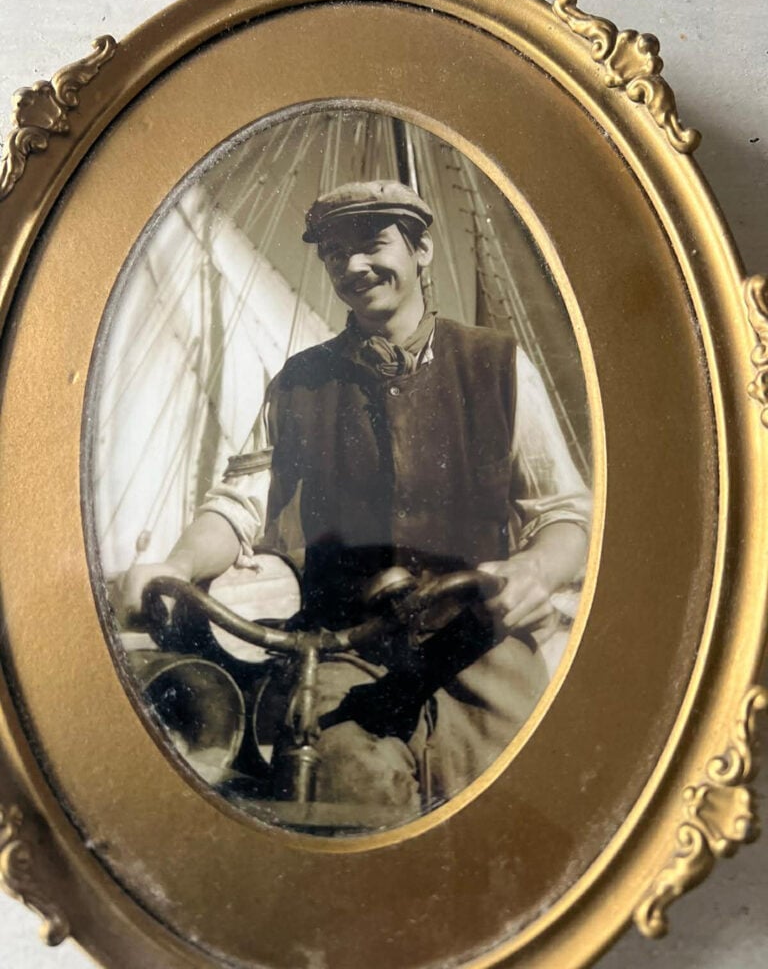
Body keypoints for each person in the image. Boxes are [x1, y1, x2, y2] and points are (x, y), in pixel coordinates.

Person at [120, 180, 591, 819]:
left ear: (421, 250)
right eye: (336, 254)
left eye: (372, 245)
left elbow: (563, 513)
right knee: (343, 795)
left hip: (481, 645)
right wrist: (177, 566)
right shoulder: (297, 384)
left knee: (522, 813)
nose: (353, 266)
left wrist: (535, 569)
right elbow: (238, 506)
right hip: (343, 654)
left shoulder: (501, 366)